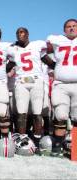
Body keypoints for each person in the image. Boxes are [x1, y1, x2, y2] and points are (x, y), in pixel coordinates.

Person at [7, 27, 55, 152]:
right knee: (21, 113)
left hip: (36, 81)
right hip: (21, 81)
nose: (19, 35)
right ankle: (22, 140)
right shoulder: (13, 49)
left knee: (37, 113)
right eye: (17, 33)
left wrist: (57, 66)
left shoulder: (37, 45)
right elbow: (8, 66)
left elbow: (48, 60)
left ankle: (37, 141)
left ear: (28, 34)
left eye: (22, 32)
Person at [46, 19, 77, 156]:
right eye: (68, 27)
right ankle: (57, 145)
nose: (71, 28)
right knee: (60, 115)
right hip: (60, 84)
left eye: (74, 26)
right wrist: (54, 66)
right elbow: (41, 53)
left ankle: (75, 149)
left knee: (76, 117)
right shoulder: (56, 39)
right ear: (64, 30)